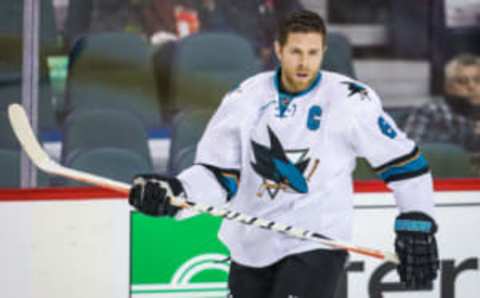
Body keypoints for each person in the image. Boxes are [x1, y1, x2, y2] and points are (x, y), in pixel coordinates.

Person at [129, 10, 439, 298]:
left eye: (313, 53)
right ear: (278, 50)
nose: (304, 63)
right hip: (250, 242)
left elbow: (405, 165)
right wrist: (177, 192)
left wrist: (416, 219)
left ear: (323, 52)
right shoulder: (244, 98)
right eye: (295, 52)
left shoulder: (350, 101)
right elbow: (218, 175)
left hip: (318, 240)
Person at [404, 53, 480, 175]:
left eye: (477, 80)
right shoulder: (430, 110)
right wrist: (471, 134)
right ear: (448, 86)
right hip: (446, 182)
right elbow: (410, 154)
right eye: (462, 81)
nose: (471, 86)